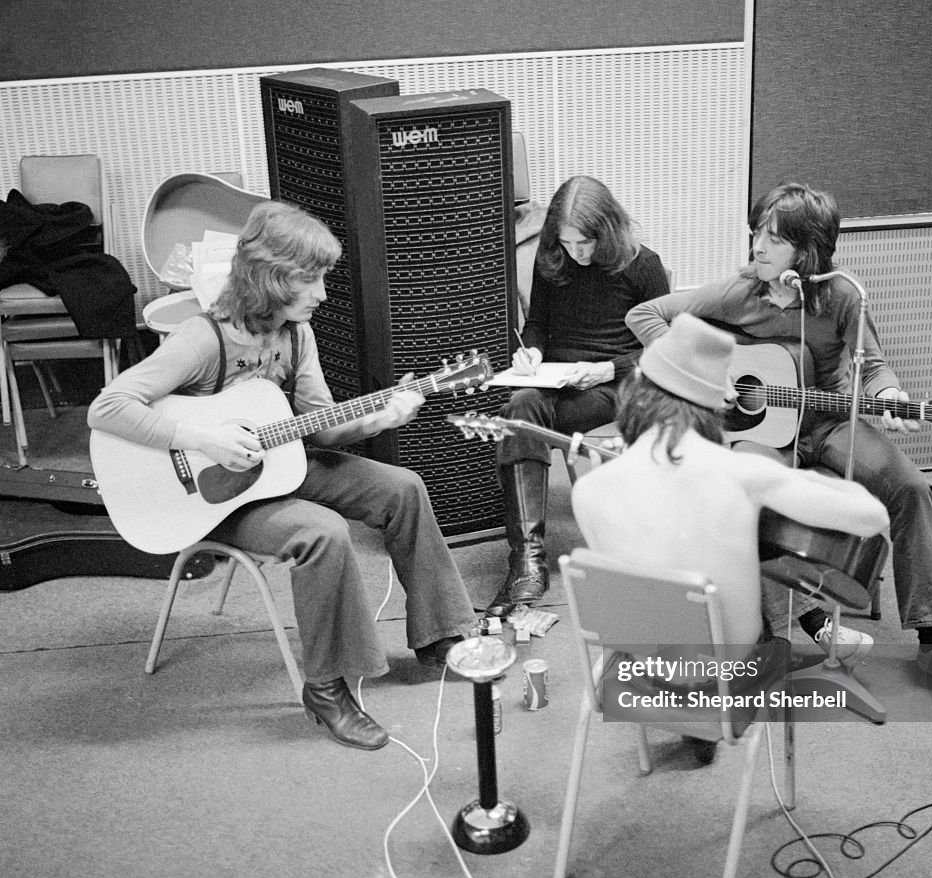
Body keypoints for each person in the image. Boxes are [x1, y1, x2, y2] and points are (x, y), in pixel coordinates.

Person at [88, 201, 478, 751]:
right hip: (213, 499)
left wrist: (379, 418)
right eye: (310, 279)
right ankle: (326, 688)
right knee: (323, 533)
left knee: (403, 487)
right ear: (271, 278)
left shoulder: (297, 335)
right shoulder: (203, 339)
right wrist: (203, 439)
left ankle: (441, 635)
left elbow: (321, 429)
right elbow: (107, 408)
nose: (322, 294)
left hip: (282, 466)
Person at [625, 181, 932, 694]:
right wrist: (703, 376)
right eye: (756, 234)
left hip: (830, 423)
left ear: (807, 249)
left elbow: (873, 367)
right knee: (741, 500)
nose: (757, 248)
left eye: (773, 239)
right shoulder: (741, 290)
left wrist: (891, 396)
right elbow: (644, 314)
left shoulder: (842, 296)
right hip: (765, 434)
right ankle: (785, 632)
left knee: (909, 487)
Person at [572, 314, 890, 758]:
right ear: (715, 405)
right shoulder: (743, 473)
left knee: (672, 572)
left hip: (638, 671)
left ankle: (690, 725)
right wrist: (791, 479)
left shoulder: (587, 488)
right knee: (754, 605)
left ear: (635, 392)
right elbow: (872, 516)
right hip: (726, 680)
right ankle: (712, 718)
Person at [486, 174, 670, 617]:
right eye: (567, 243)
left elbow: (664, 349)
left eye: (585, 243)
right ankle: (528, 558)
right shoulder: (553, 259)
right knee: (519, 407)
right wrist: (532, 351)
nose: (576, 253)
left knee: (523, 419)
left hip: (614, 384)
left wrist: (608, 368)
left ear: (607, 230)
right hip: (560, 377)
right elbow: (538, 324)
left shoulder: (643, 265)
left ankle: (529, 562)